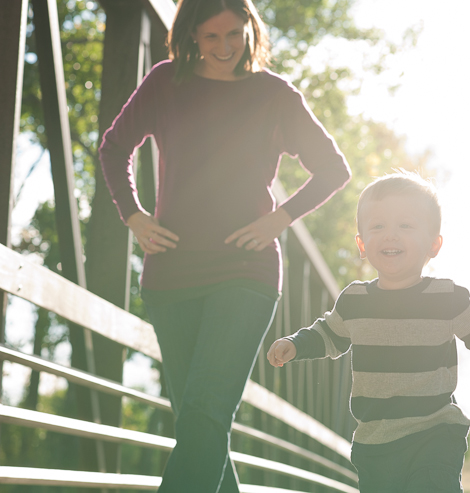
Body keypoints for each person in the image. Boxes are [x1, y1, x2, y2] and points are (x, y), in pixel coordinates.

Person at [97, 0, 351, 491]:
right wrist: (133, 215)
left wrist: (280, 218)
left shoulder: (273, 94)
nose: (225, 48)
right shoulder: (166, 82)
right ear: (190, 35)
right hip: (170, 274)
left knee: (205, 414)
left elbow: (333, 169)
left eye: (234, 34)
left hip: (245, 272)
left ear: (249, 29)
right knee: (200, 423)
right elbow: (113, 147)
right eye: (211, 37)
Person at [267, 171, 470, 493]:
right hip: (376, 442)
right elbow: (328, 334)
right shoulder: (355, 301)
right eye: (378, 226)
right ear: (361, 244)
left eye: (405, 225)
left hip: (434, 431)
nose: (391, 235)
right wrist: (296, 344)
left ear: (433, 244)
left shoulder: (444, 297)